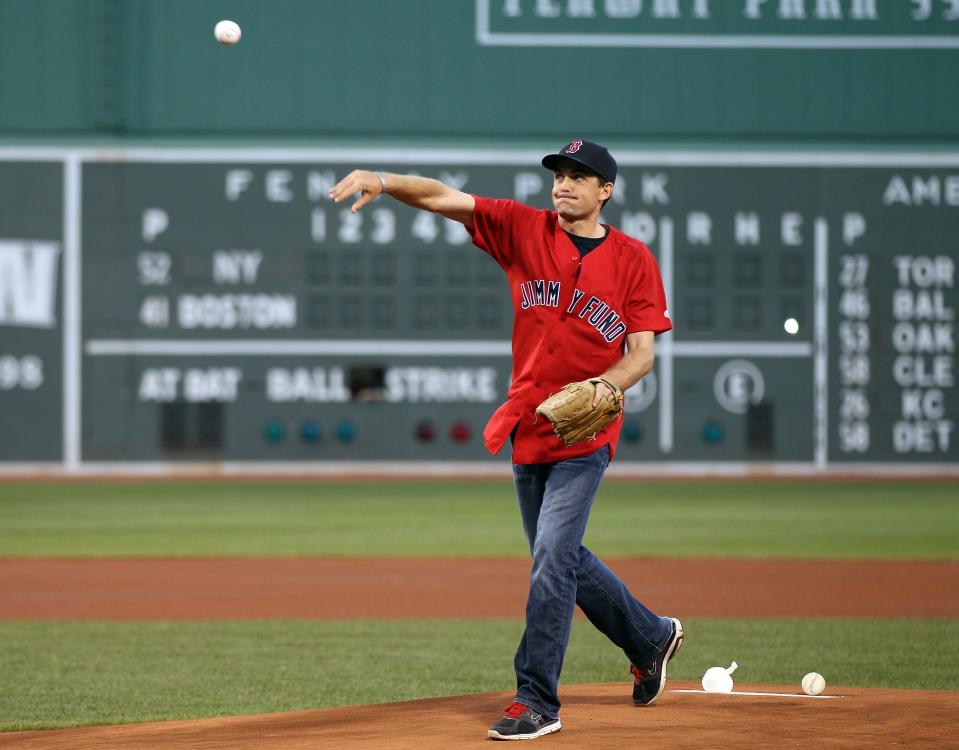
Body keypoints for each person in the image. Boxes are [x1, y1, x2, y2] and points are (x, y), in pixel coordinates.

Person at [330, 140, 683, 742]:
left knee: (551, 557)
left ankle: (537, 700)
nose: (564, 185)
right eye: (559, 175)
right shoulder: (522, 230)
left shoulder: (633, 259)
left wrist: (604, 386)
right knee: (560, 557)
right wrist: (383, 180)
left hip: (586, 432)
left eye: (580, 177)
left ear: (606, 191)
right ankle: (650, 637)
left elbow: (642, 354)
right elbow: (445, 198)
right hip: (529, 426)